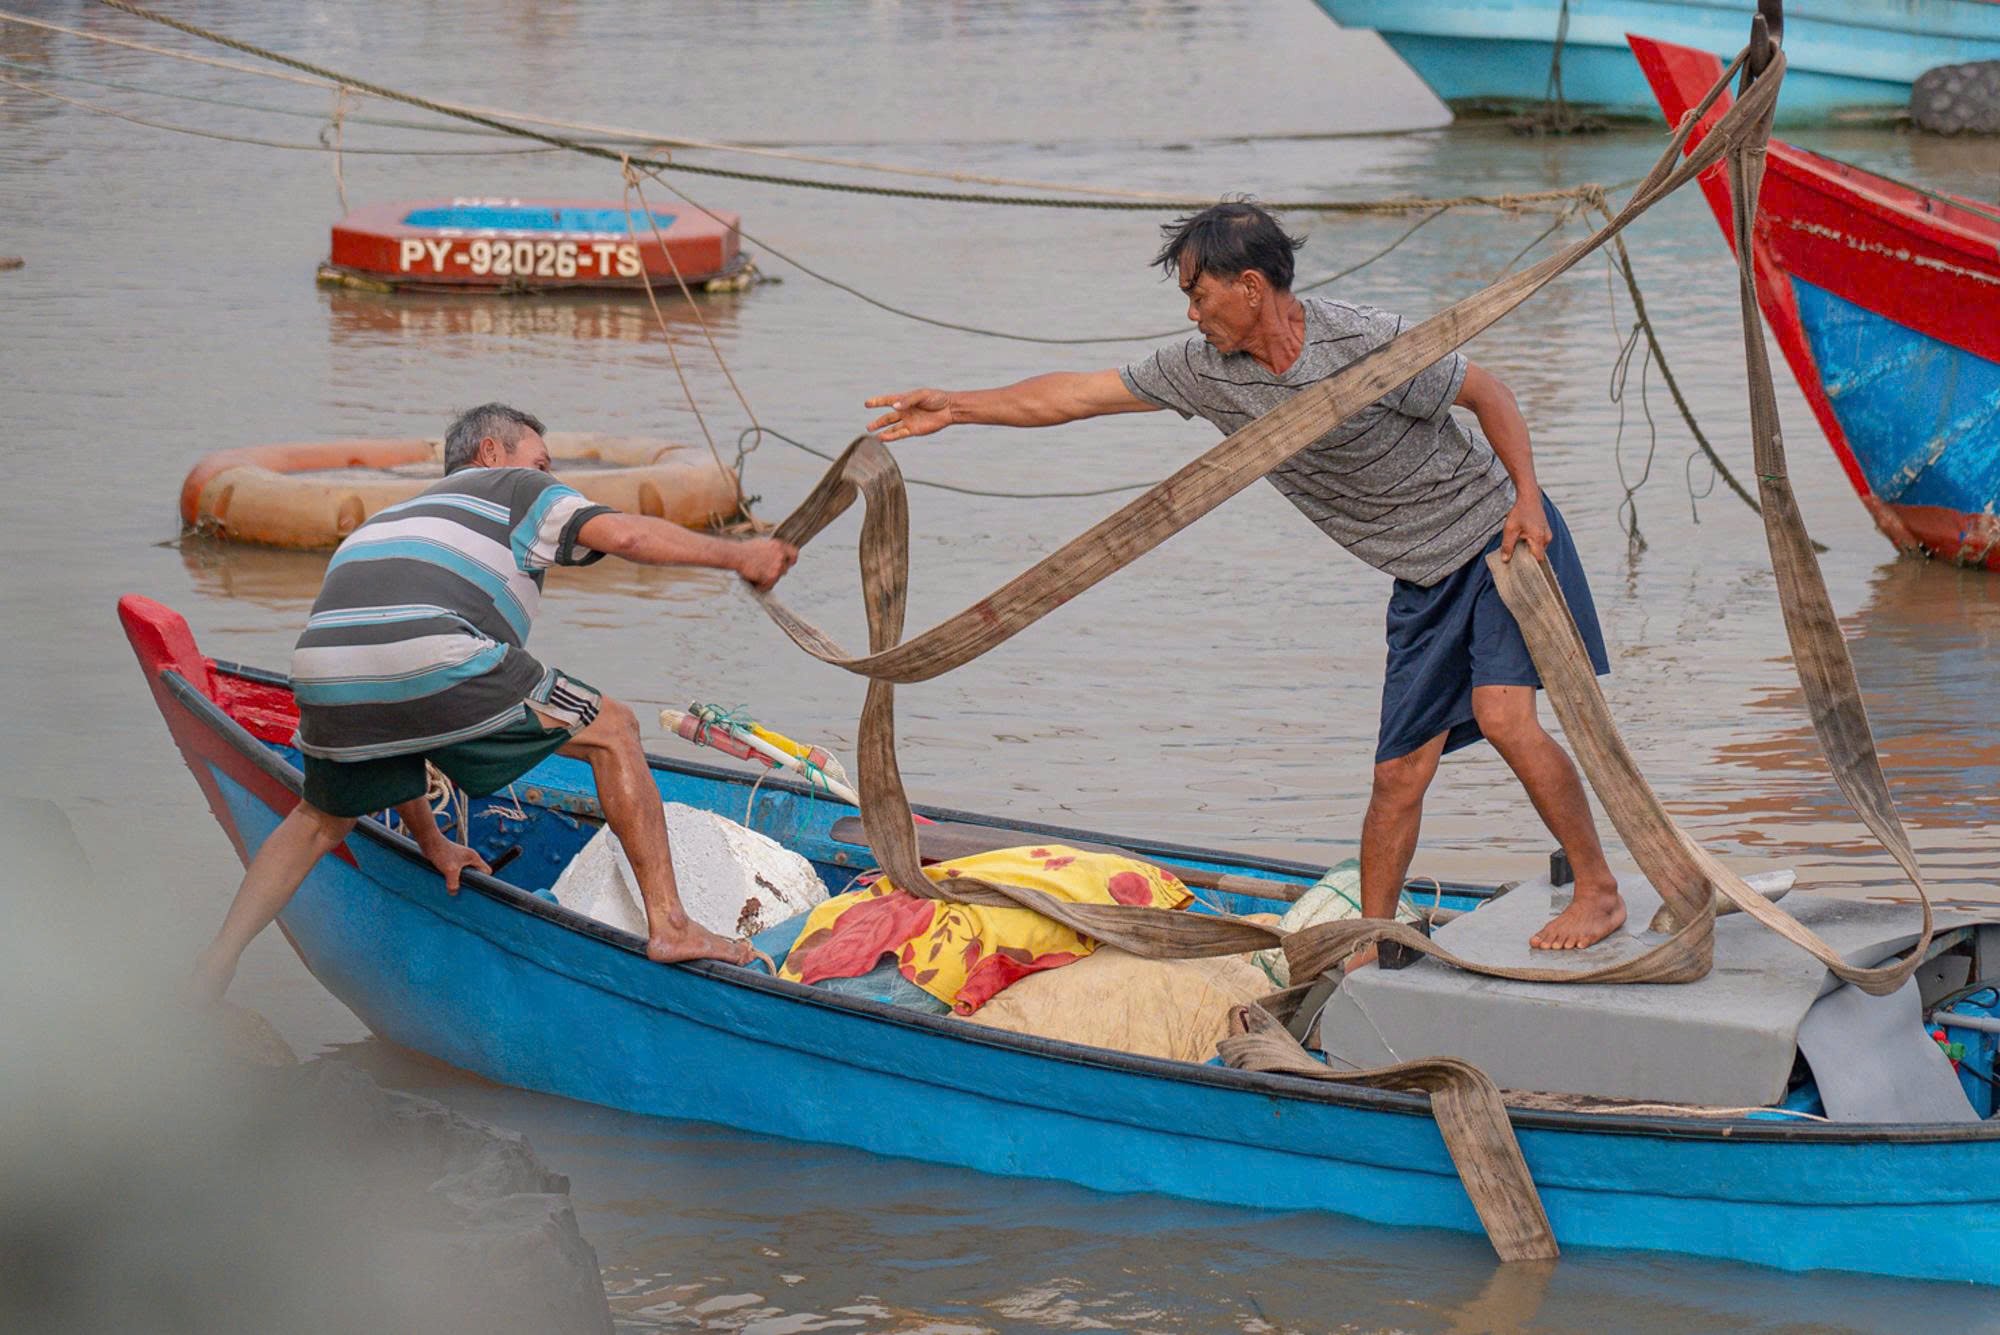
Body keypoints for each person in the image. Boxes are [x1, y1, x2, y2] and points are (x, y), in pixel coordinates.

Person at [864, 201, 1626, 955]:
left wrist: (1527, 496)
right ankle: (1372, 937)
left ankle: (1598, 891)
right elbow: (1074, 396)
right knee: (1398, 772)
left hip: (1497, 536)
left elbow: (1488, 392)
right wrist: (956, 407)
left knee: (1503, 716)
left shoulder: (1362, 339)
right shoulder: (1206, 372)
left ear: (1251, 286)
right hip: (1420, 578)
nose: (1192, 314)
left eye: (1199, 295)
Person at [192, 403, 799, 1000]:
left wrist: (434, 845)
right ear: (491, 452)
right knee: (614, 729)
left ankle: (213, 965)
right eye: (542, 459)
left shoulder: (389, 518)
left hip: (323, 674)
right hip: (431, 649)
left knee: (318, 820)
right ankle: (671, 925)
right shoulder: (516, 489)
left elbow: (398, 718)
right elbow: (629, 534)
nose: (551, 474)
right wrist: (740, 555)